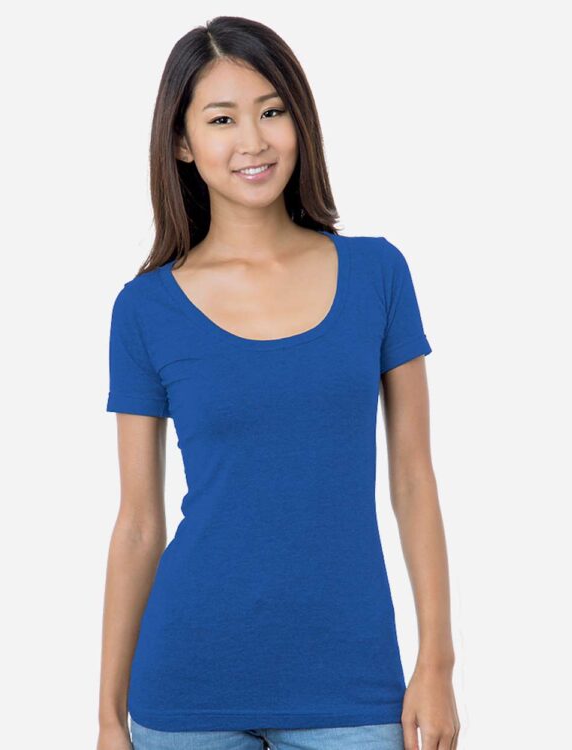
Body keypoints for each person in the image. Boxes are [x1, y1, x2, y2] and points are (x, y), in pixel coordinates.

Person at [97, 15, 460, 750]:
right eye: (221, 119)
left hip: (353, 682)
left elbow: (414, 479)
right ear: (182, 142)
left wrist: (437, 663)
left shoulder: (378, 274)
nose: (253, 141)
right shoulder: (144, 309)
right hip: (186, 686)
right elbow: (138, 522)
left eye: (272, 111)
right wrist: (108, 718)